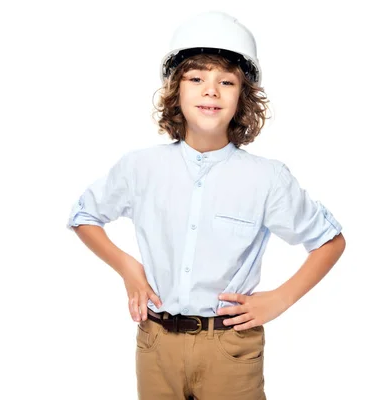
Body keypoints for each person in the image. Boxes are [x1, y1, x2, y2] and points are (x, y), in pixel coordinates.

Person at [66, 10, 346, 400]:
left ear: (241, 98)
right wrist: (128, 267)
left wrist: (280, 299)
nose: (210, 90)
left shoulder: (267, 178)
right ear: (175, 93)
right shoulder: (140, 167)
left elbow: (329, 241)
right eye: (195, 78)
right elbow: (84, 216)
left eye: (226, 82)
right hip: (156, 344)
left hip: (230, 348)